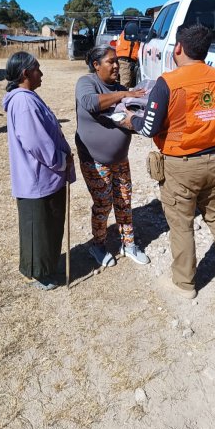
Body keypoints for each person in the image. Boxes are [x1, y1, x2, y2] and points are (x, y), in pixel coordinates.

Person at [122, 24, 215, 299]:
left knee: (181, 224)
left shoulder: (167, 82)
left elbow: (149, 127)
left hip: (180, 164)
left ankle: (184, 284)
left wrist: (130, 119)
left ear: (179, 48)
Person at [3, 52, 76, 290]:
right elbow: (35, 142)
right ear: (26, 74)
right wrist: (60, 160)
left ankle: (46, 267)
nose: (41, 73)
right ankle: (38, 273)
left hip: (45, 175)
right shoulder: (23, 102)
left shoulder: (28, 97)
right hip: (37, 176)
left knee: (47, 223)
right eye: (38, 69)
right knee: (38, 225)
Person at [75, 45, 150, 268]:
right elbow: (90, 103)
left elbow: (131, 118)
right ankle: (98, 245)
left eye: (117, 61)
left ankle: (128, 244)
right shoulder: (86, 83)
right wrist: (124, 94)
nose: (116, 65)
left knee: (124, 201)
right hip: (94, 159)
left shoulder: (120, 87)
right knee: (103, 204)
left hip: (120, 159)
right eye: (110, 61)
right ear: (96, 65)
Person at [115, 21, 140, 88]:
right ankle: (121, 97)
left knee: (124, 83)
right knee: (125, 85)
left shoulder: (125, 34)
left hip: (123, 60)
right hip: (126, 62)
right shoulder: (131, 33)